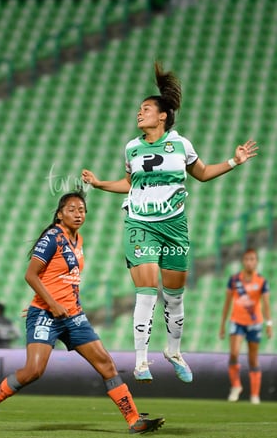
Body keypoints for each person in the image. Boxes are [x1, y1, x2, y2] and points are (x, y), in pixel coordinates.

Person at [81, 62, 257, 384]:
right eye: (139, 109)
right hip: (140, 223)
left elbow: (201, 174)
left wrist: (234, 161)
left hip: (174, 226)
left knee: (175, 298)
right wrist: (100, 183)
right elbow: (129, 183)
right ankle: (140, 362)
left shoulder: (181, 144)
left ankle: (174, 352)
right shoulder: (132, 147)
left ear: (162, 115)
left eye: (145, 108)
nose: (139, 113)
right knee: (146, 292)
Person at [0, 191, 164, 434]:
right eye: (72, 209)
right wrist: (49, 303)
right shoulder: (53, 237)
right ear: (60, 214)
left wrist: (56, 300)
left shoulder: (78, 239)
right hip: (46, 315)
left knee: (106, 364)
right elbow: (30, 275)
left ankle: (134, 419)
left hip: (73, 315)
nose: (78, 214)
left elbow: (60, 278)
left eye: (82, 210)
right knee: (34, 371)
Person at [219, 248, 272, 404]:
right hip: (237, 321)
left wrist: (269, 323)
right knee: (234, 353)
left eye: (252, 259)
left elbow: (266, 304)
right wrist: (222, 325)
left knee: (253, 359)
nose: (249, 262)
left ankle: (255, 395)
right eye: (247, 259)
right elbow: (227, 303)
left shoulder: (261, 281)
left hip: (255, 323)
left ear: (257, 262)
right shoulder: (235, 280)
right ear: (243, 261)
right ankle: (236, 386)